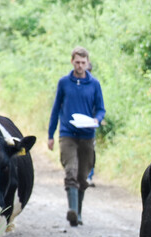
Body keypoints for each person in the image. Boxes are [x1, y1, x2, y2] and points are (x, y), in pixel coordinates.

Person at [48, 47, 105, 226]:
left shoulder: (94, 84)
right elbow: (56, 109)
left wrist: (97, 119)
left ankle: (78, 213)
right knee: (70, 170)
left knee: (82, 176)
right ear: (72, 61)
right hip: (68, 134)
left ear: (87, 63)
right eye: (77, 62)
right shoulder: (64, 83)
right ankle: (72, 210)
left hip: (87, 134)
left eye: (83, 63)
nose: (80, 66)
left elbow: (101, 108)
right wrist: (50, 134)